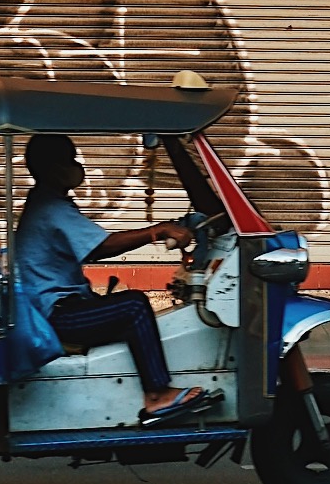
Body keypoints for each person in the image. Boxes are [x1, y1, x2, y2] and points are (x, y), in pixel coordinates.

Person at [15, 132, 219, 425]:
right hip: (57, 316)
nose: (77, 167)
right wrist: (156, 231)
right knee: (134, 306)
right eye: (69, 160)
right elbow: (101, 246)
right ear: (51, 167)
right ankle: (157, 395)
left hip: (58, 308)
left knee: (127, 307)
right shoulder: (51, 209)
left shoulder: (48, 203)